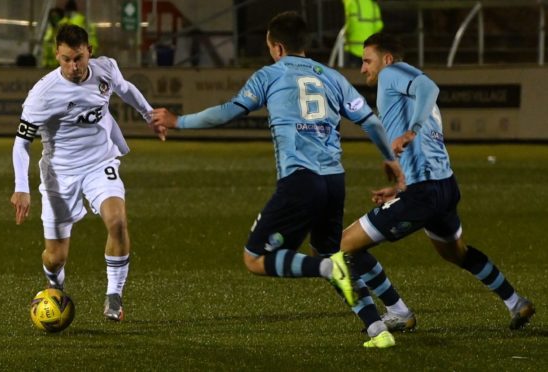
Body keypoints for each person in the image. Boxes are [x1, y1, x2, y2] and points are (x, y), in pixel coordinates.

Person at [151, 11, 405, 347]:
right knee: (329, 249)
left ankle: (327, 270)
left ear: (279, 48)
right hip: (334, 181)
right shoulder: (331, 76)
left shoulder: (270, 75)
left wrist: (178, 121)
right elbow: (371, 122)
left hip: (301, 180)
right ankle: (377, 329)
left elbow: (230, 110)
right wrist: (389, 159)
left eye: (271, 47)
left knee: (255, 258)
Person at [339, 31, 535, 338]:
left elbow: (430, 85)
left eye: (367, 61)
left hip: (425, 193)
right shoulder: (404, 94)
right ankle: (515, 301)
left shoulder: (393, 73)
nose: (363, 68)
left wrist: (412, 131)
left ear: (387, 59)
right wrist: (400, 185)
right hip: (441, 187)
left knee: (345, 246)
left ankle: (398, 313)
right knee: (456, 253)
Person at [10, 24, 165, 322]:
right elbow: (21, 143)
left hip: (99, 161)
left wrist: (149, 115)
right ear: (57, 55)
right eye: (66, 59)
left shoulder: (105, 69)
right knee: (55, 257)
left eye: (78, 58)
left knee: (117, 221)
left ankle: (113, 297)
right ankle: (54, 283)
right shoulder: (42, 95)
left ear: (89, 52)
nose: (73, 66)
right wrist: (21, 187)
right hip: (59, 174)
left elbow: (126, 88)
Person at [342, 0, 383, 68]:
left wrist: (347, 34)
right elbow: (378, 26)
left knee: (352, 74)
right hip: (370, 48)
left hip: (354, 48)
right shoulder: (373, 4)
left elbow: (351, 24)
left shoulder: (353, 3)